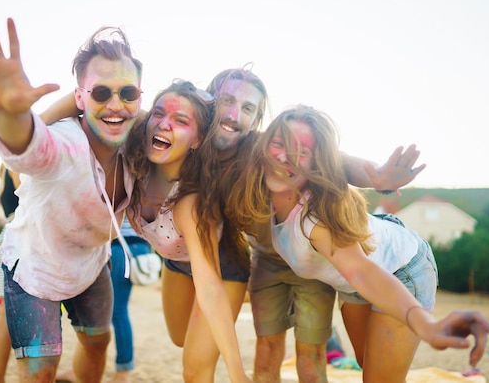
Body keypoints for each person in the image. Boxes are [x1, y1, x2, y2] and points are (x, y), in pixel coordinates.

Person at [226, 104, 489, 381]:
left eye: (302, 152)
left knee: (378, 379)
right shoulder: (258, 191)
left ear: (318, 163)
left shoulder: (314, 218)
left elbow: (360, 270)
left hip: (401, 269)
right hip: (357, 275)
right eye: (278, 144)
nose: (284, 157)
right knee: (366, 361)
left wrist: (427, 326)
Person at [0, 13, 143, 382]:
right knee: (40, 372)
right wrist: (13, 114)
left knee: (98, 344)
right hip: (33, 267)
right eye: (102, 92)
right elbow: (29, 145)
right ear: (80, 98)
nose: (116, 104)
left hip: (89, 265)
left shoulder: (140, 146)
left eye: (128, 93)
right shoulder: (66, 143)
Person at [205, 67, 426, 383]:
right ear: (206, 102)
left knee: (341, 362)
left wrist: (375, 176)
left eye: (248, 108)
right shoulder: (183, 134)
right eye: (224, 100)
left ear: (257, 120)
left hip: (323, 255)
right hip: (275, 257)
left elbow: (335, 158)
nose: (233, 112)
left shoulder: (263, 147)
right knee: (275, 351)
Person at [123, 80, 251, 382]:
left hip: (224, 267)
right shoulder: (130, 169)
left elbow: (210, 287)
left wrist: (237, 372)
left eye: (181, 121)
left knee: (195, 369)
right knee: (181, 338)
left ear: (197, 140)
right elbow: (88, 109)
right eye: (158, 114)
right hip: (177, 262)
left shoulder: (189, 203)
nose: (164, 124)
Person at [108, 217, 152, 383]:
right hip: (137, 244)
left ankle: (124, 371)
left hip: (121, 246)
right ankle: (81, 366)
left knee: (117, 311)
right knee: (114, 310)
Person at [0, 164, 20, 383]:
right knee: (8, 316)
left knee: (5, 315)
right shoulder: (17, 161)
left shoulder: (5, 167)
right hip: (22, 232)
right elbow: (29, 198)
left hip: (10, 231)